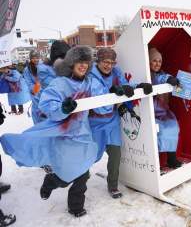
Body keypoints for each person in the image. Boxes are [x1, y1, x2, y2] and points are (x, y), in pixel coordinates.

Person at [0, 46, 99, 217]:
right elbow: (47, 105)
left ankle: (75, 207)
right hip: (64, 136)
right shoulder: (60, 83)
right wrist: (63, 108)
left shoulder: (90, 82)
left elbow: (102, 95)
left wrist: (117, 93)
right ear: (71, 63)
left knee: (83, 173)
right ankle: (51, 181)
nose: (83, 65)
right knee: (66, 174)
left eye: (86, 62)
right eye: (79, 62)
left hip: (83, 134)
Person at [89, 47, 152, 198]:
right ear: (98, 61)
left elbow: (124, 85)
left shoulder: (116, 72)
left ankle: (113, 185)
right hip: (94, 123)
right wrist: (113, 90)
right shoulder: (91, 76)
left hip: (112, 121)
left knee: (115, 155)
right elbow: (98, 94)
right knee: (91, 156)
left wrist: (138, 86)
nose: (108, 65)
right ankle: (78, 178)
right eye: (105, 62)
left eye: (111, 62)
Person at [148, 48, 182, 168]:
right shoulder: (148, 75)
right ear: (149, 61)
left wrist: (170, 79)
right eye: (154, 61)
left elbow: (164, 77)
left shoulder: (162, 74)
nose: (157, 64)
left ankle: (171, 159)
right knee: (156, 132)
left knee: (173, 127)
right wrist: (166, 79)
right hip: (150, 113)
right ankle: (155, 162)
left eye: (159, 61)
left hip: (163, 112)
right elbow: (157, 80)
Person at [23, 50, 42, 124]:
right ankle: (37, 126)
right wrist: (37, 88)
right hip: (35, 92)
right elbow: (29, 83)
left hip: (45, 92)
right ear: (30, 58)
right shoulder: (27, 70)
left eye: (37, 57)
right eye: (33, 58)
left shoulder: (43, 66)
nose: (36, 59)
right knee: (37, 109)